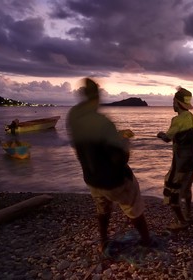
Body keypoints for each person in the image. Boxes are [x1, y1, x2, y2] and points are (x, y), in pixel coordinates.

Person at [66, 77, 153, 253]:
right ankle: (146, 240)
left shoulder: (74, 117)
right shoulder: (104, 123)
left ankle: (103, 240)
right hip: (113, 180)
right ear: (97, 97)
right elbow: (120, 159)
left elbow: (91, 142)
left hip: (91, 177)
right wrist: (126, 143)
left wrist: (115, 135)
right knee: (132, 204)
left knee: (102, 208)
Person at [157, 86, 193, 230]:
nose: (172, 104)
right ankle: (189, 215)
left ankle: (182, 222)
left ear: (179, 103)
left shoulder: (177, 120)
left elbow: (168, 138)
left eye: (173, 101)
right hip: (192, 161)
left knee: (171, 189)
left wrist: (160, 134)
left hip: (180, 161)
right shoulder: (192, 117)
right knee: (186, 189)